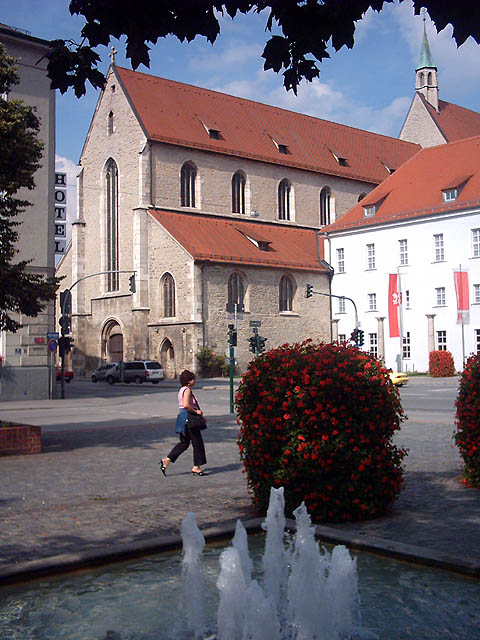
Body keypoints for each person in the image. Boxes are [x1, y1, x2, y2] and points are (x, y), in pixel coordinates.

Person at [160, 370, 207, 476]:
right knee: (197, 443)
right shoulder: (187, 390)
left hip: (182, 417)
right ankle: (196, 467)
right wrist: (196, 412)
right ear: (189, 381)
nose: (194, 381)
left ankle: (167, 460)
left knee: (184, 443)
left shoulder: (181, 390)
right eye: (193, 379)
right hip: (189, 418)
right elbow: (186, 405)